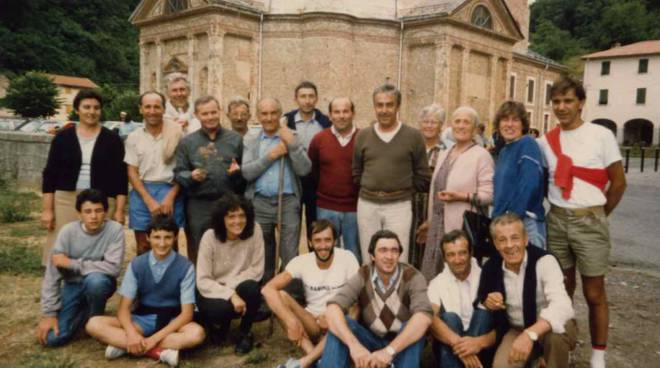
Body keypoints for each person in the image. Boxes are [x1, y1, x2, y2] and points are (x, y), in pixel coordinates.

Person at [537, 76, 626, 368]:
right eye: (557, 102)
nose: (562, 107)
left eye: (568, 101)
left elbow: (618, 183)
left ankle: (598, 356)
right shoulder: (545, 142)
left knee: (594, 292)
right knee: (561, 288)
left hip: (590, 219)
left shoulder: (601, 135)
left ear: (581, 104)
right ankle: (565, 344)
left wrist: (598, 215)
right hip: (557, 220)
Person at [85, 215, 204, 366]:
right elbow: (123, 309)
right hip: (142, 319)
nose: (162, 243)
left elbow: (187, 314)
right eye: (157, 237)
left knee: (196, 334)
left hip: (173, 322)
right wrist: (132, 334)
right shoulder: (137, 264)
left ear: (175, 238)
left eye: (167, 237)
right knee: (93, 324)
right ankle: (158, 352)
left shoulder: (185, 267)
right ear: (148, 237)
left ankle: (125, 346)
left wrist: (154, 338)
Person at [320, 230, 432, 368]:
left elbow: (424, 317)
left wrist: (389, 351)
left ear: (399, 254)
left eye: (394, 251)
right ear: (372, 255)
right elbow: (332, 308)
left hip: (402, 344)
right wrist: (354, 346)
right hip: (370, 340)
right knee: (344, 323)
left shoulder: (413, 277)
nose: (389, 256)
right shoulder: (363, 275)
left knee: (413, 326)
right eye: (383, 250)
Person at [477, 213, 576, 368]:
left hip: (547, 327)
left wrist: (530, 334)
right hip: (516, 329)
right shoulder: (491, 266)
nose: (509, 245)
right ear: (496, 244)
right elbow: (481, 298)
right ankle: (535, 359)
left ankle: (554, 359)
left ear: (526, 239)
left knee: (556, 337)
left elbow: (563, 305)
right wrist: (489, 301)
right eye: (502, 240)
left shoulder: (544, 261)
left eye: (515, 237)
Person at [41, 89, 127, 266]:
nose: (91, 111)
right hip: (66, 198)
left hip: (101, 200)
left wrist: (119, 210)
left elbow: (120, 179)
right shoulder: (62, 138)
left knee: (96, 248)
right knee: (61, 246)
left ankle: (92, 286)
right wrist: (48, 210)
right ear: (77, 110)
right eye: (86, 107)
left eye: (96, 107)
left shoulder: (112, 140)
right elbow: (50, 175)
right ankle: (58, 288)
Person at [263, 220, 360, 368]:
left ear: (335, 241)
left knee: (354, 310)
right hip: (312, 322)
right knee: (281, 296)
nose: (323, 246)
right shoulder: (302, 261)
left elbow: (358, 298)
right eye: (318, 241)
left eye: (327, 240)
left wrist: (333, 315)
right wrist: (291, 321)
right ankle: (314, 355)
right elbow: (267, 289)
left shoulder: (347, 258)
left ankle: (307, 362)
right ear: (310, 242)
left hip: (340, 319)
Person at [353, 84, 430, 264]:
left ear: (398, 107)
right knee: (369, 256)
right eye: (380, 105)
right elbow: (356, 172)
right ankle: (371, 292)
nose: (384, 110)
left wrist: (401, 189)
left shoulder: (413, 136)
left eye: (389, 105)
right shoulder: (363, 136)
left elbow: (423, 176)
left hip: (399, 206)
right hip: (367, 205)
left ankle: (396, 292)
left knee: (397, 257)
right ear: (374, 107)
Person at [36, 189, 125, 347]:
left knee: (95, 281)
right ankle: (83, 315)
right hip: (73, 284)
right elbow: (52, 275)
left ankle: (96, 319)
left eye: (98, 211)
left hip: (101, 283)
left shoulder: (115, 230)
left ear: (105, 212)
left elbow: (113, 268)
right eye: (88, 211)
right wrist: (49, 314)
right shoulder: (67, 232)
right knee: (52, 339)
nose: (93, 216)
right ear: (79, 214)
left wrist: (72, 264)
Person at [417, 106, 494, 281]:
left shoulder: (481, 156)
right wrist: (429, 221)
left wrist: (461, 196)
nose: (461, 126)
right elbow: (435, 190)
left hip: (461, 227)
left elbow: (489, 195)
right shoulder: (445, 153)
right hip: (437, 227)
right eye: (457, 121)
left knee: (459, 275)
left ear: (475, 129)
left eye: (466, 122)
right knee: (434, 277)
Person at [242, 97, 312, 283]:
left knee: (289, 253)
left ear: (280, 115)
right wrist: (271, 155)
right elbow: (247, 173)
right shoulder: (251, 140)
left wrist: (292, 145)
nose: (269, 118)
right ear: (258, 116)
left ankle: (289, 296)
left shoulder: (292, 137)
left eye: (273, 113)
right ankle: (266, 298)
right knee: (263, 255)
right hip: (260, 203)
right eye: (264, 114)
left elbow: (305, 169)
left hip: (287, 202)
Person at [174, 95, 244, 265]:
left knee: (228, 246)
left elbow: (245, 174)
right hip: (198, 204)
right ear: (197, 116)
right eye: (205, 114)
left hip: (228, 202)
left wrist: (237, 173)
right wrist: (190, 176)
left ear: (219, 112)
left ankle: (226, 287)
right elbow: (178, 172)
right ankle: (199, 287)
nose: (210, 117)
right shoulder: (187, 142)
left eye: (213, 112)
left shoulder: (235, 139)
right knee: (198, 248)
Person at [195, 194, 264, 354]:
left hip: (237, 284)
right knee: (221, 309)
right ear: (222, 219)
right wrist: (230, 295)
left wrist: (230, 287)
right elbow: (203, 280)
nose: (237, 221)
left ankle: (245, 332)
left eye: (241, 216)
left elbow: (256, 269)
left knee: (252, 288)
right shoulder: (209, 237)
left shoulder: (255, 230)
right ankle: (219, 327)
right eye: (231, 216)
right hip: (212, 290)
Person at [126, 91, 185, 255]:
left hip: (169, 192)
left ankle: (171, 280)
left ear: (164, 109)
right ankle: (145, 280)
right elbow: (131, 171)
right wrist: (148, 200)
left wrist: (171, 196)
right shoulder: (133, 137)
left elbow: (184, 169)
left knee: (169, 245)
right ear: (141, 109)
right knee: (143, 246)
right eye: (148, 107)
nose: (152, 111)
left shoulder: (177, 134)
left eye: (156, 107)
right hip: (142, 192)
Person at [428, 230, 495, 368]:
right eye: (451, 255)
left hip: (482, 345)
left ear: (471, 253)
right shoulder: (436, 283)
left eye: (462, 253)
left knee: (483, 315)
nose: (457, 260)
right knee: (450, 318)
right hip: (449, 344)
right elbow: (431, 319)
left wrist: (477, 343)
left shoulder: (487, 277)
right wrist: (461, 346)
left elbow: (502, 324)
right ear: (444, 258)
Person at [308, 97, 361, 262]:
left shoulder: (363, 138)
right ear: (330, 115)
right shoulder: (319, 139)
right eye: (337, 112)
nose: (341, 115)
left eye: (346, 111)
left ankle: (354, 287)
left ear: (353, 113)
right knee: (326, 252)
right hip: (326, 207)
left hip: (355, 207)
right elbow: (313, 171)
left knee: (354, 252)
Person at [491, 101, 546, 249]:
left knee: (530, 271)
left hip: (524, 224)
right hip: (505, 223)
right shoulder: (504, 152)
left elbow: (529, 184)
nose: (509, 124)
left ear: (523, 125)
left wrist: (511, 220)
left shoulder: (527, 144)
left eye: (515, 120)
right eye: (505, 119)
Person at [282, 81, 331, 240]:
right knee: (290, 228)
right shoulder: (285, 121)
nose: (307, 100)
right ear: (296, 99)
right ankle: (291, 261)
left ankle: (313, 257)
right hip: (292, 181)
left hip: (315, 182)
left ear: (316, 99)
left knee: (314, 225)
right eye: (303, 96)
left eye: (311, 96)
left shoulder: (325, 123)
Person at [413, 103, 447, 267]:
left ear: (441, 125)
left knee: (430, 248)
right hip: (411, 204)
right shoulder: (412, 146)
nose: (429, 126)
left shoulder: (446, 150)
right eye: (425, 121)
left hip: (434, 204)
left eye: (434, 122)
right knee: (410, 246)